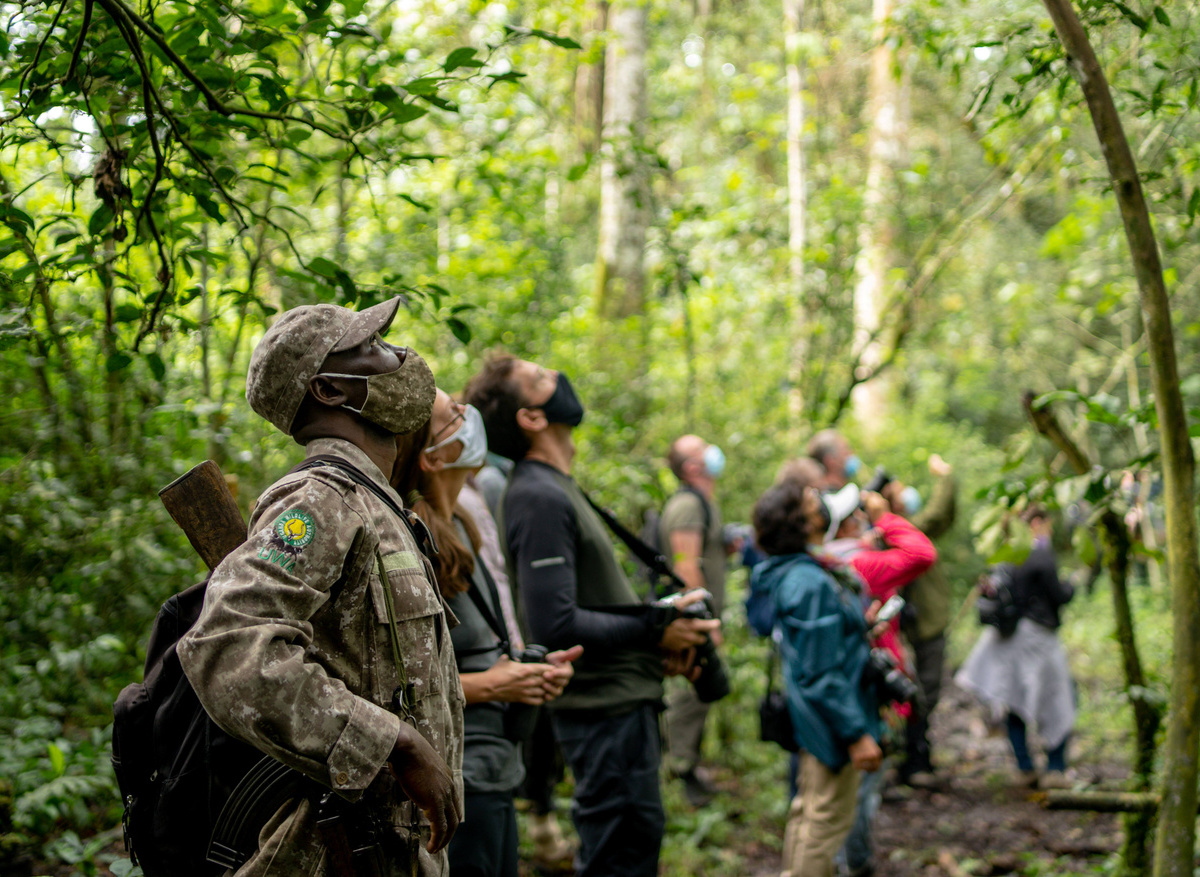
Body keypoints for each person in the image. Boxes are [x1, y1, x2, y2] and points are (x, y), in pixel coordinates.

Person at [178, 299, 463, 876]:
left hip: (396, 852)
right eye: (374, 347)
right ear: (331, 390)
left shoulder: (376, 505)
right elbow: (229, 643)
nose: (400, 356)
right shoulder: (319, 501)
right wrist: (391, 742)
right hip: (336, 851)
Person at [465, 354, 719, 877]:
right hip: (603, 713)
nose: (557, 377)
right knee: (617, 858)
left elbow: (590, 608)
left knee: (633, 849)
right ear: (531, 417)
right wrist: (655, 627)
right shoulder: (536, 495)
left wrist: (658, 631)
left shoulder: (557, 485)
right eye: (540, 379)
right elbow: (555, 625)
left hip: (620, 705)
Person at [391, 387, 582, 877]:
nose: (468, 415)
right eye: (452, 415)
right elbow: (394, 686)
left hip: (496, 768)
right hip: (457, 776)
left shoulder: (460, 522)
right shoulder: (411, 540)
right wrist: (494, 685)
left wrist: (527, 673)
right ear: (432, 457)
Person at [750, 481, 883, 877]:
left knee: (809, 811)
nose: (821, 504)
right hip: (829, 722)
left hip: (818, 717)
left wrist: (856, 625)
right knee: (825, 821)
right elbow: (821, 674)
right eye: (811, 503)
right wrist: (855, 734)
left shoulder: (803, 571)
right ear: (799, 522)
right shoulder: (808, 582)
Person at [956, 506, 1075, 788]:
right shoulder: (1040, 554)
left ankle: (1025, 766)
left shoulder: (1007, 554)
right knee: (1057, 699)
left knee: (1015, 700)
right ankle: (1055, 768)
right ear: (1037, 523)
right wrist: (1071, 585)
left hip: (1013, 639)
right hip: (1039, 638)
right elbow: (1058, 594)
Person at [661, 434, 729, 807]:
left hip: (701, 618)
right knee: (688, 695)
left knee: (700, 692)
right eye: (703, 450)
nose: (712, 452)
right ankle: (678, 769)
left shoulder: (702, 503)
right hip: (693, 620)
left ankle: (688, 766)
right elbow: (685, 567)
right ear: (691, 467)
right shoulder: (687, 505)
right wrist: (708, 625)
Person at [884, 454, 957, 787]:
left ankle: (916, 755)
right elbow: (939, 513)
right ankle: (913, 759)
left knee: (923, 688)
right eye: (899, 491)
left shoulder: (903, 530)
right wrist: (945, 476)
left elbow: (944, 518)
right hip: (919, 626)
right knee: (922, 689)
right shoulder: (901, 532)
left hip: (921, 622)